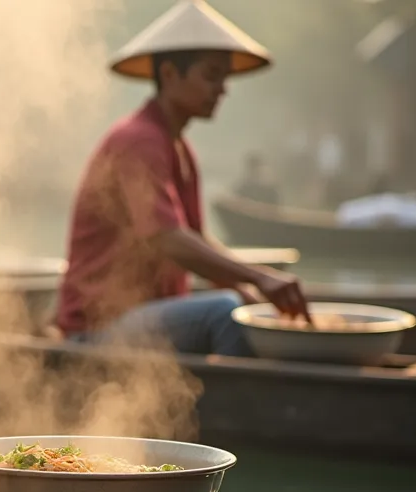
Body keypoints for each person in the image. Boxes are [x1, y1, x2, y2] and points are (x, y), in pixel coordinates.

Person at [55, 0, 310, 357]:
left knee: (242, 310)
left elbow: (195, 239)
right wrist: (258, 275)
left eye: (224, 77)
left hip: (147, 315)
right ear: (171, 75)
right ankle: (236, 409)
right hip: (98, 329)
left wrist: (250, 293)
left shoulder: (179, 149)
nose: (222, 89)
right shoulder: (138, 140)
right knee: (224, 314)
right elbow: (168, 239)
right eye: (211, 75)